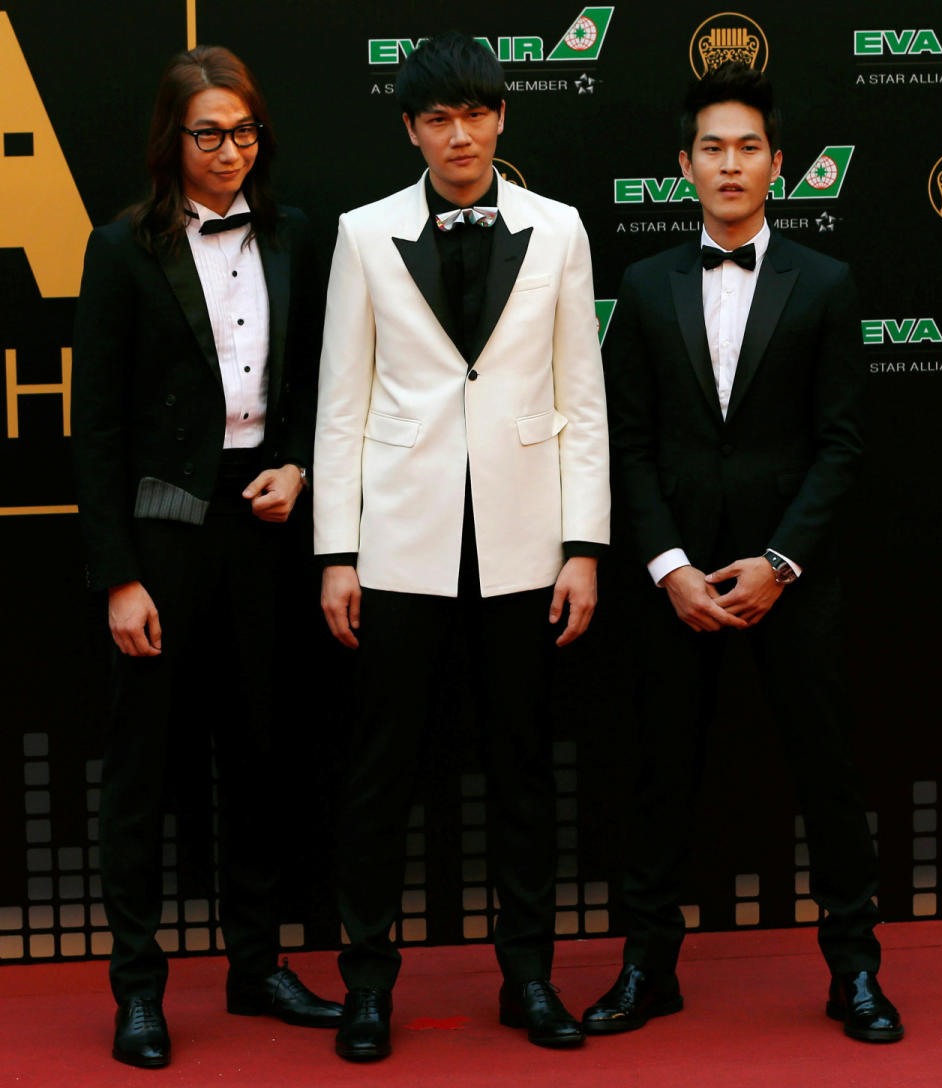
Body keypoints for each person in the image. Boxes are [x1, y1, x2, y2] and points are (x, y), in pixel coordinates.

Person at [589, 61, 903, 1045]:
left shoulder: (828, 281)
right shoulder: (643, 286)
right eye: (712, 148)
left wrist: (782, 562)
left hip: (792, 579)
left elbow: (843, 442)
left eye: (749, 147)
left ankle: (855, 970)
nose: (731, 164)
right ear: (684, 165)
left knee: (829, 776)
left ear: (779, 164)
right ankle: (648, 966)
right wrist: (668, 566)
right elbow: (625, 442)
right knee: (658, 775)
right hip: (672, 580)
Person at [313, 30, 610, 1061]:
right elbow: (340, 403)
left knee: (523, 769)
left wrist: (584, 544)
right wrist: (336, 553)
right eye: (437, 118)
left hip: (528, 542)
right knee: (379, 771)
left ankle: (528, 976)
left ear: (501, 118)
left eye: (476, 113)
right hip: (400, 541)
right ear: (409, 129)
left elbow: (583, 396)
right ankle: (365, 982)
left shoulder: (561, 229)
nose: (459, 134)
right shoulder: (362, 235)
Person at [72, 45, 341, 1069]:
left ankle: (257, 964)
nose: (229, 150)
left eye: (244, 131)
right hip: (159, 532)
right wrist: (118, 573)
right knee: (142, 769)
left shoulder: (297, 236)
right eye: (209, 133)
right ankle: (138, 987)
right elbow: (94, 427)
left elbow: (325, 380)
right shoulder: (121, 248)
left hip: (265, 525)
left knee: (262, 752)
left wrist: (303, 465)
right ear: (172, 142)